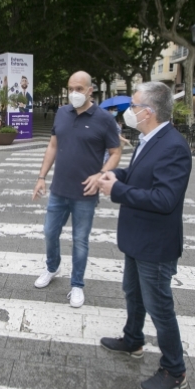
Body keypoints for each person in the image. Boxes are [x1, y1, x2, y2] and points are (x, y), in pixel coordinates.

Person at [96, 81, 192, 389]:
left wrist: (118, 191)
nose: (129, 111)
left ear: (148, 112)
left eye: (133, 106)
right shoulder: (150, 138)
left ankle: (175, 371)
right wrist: (117, 176)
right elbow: (142, 175)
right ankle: (133, 339)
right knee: (133, 294)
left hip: (155, 243)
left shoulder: (174, 146)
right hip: (138, 237)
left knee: (159, 306)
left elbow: (164, 198)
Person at [31, 71, 121, 308]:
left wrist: (101, 174)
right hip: (59, 189)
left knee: (80, 240)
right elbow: (52, 146)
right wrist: (41, 177)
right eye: (70, 88)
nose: (74, 93)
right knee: (50, 232)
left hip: (86, 193)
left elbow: (116, 153)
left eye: (79, 89)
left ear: (90, 90)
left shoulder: (104, 119)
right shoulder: (61, 113)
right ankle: (52, 267)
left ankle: (77, 285)